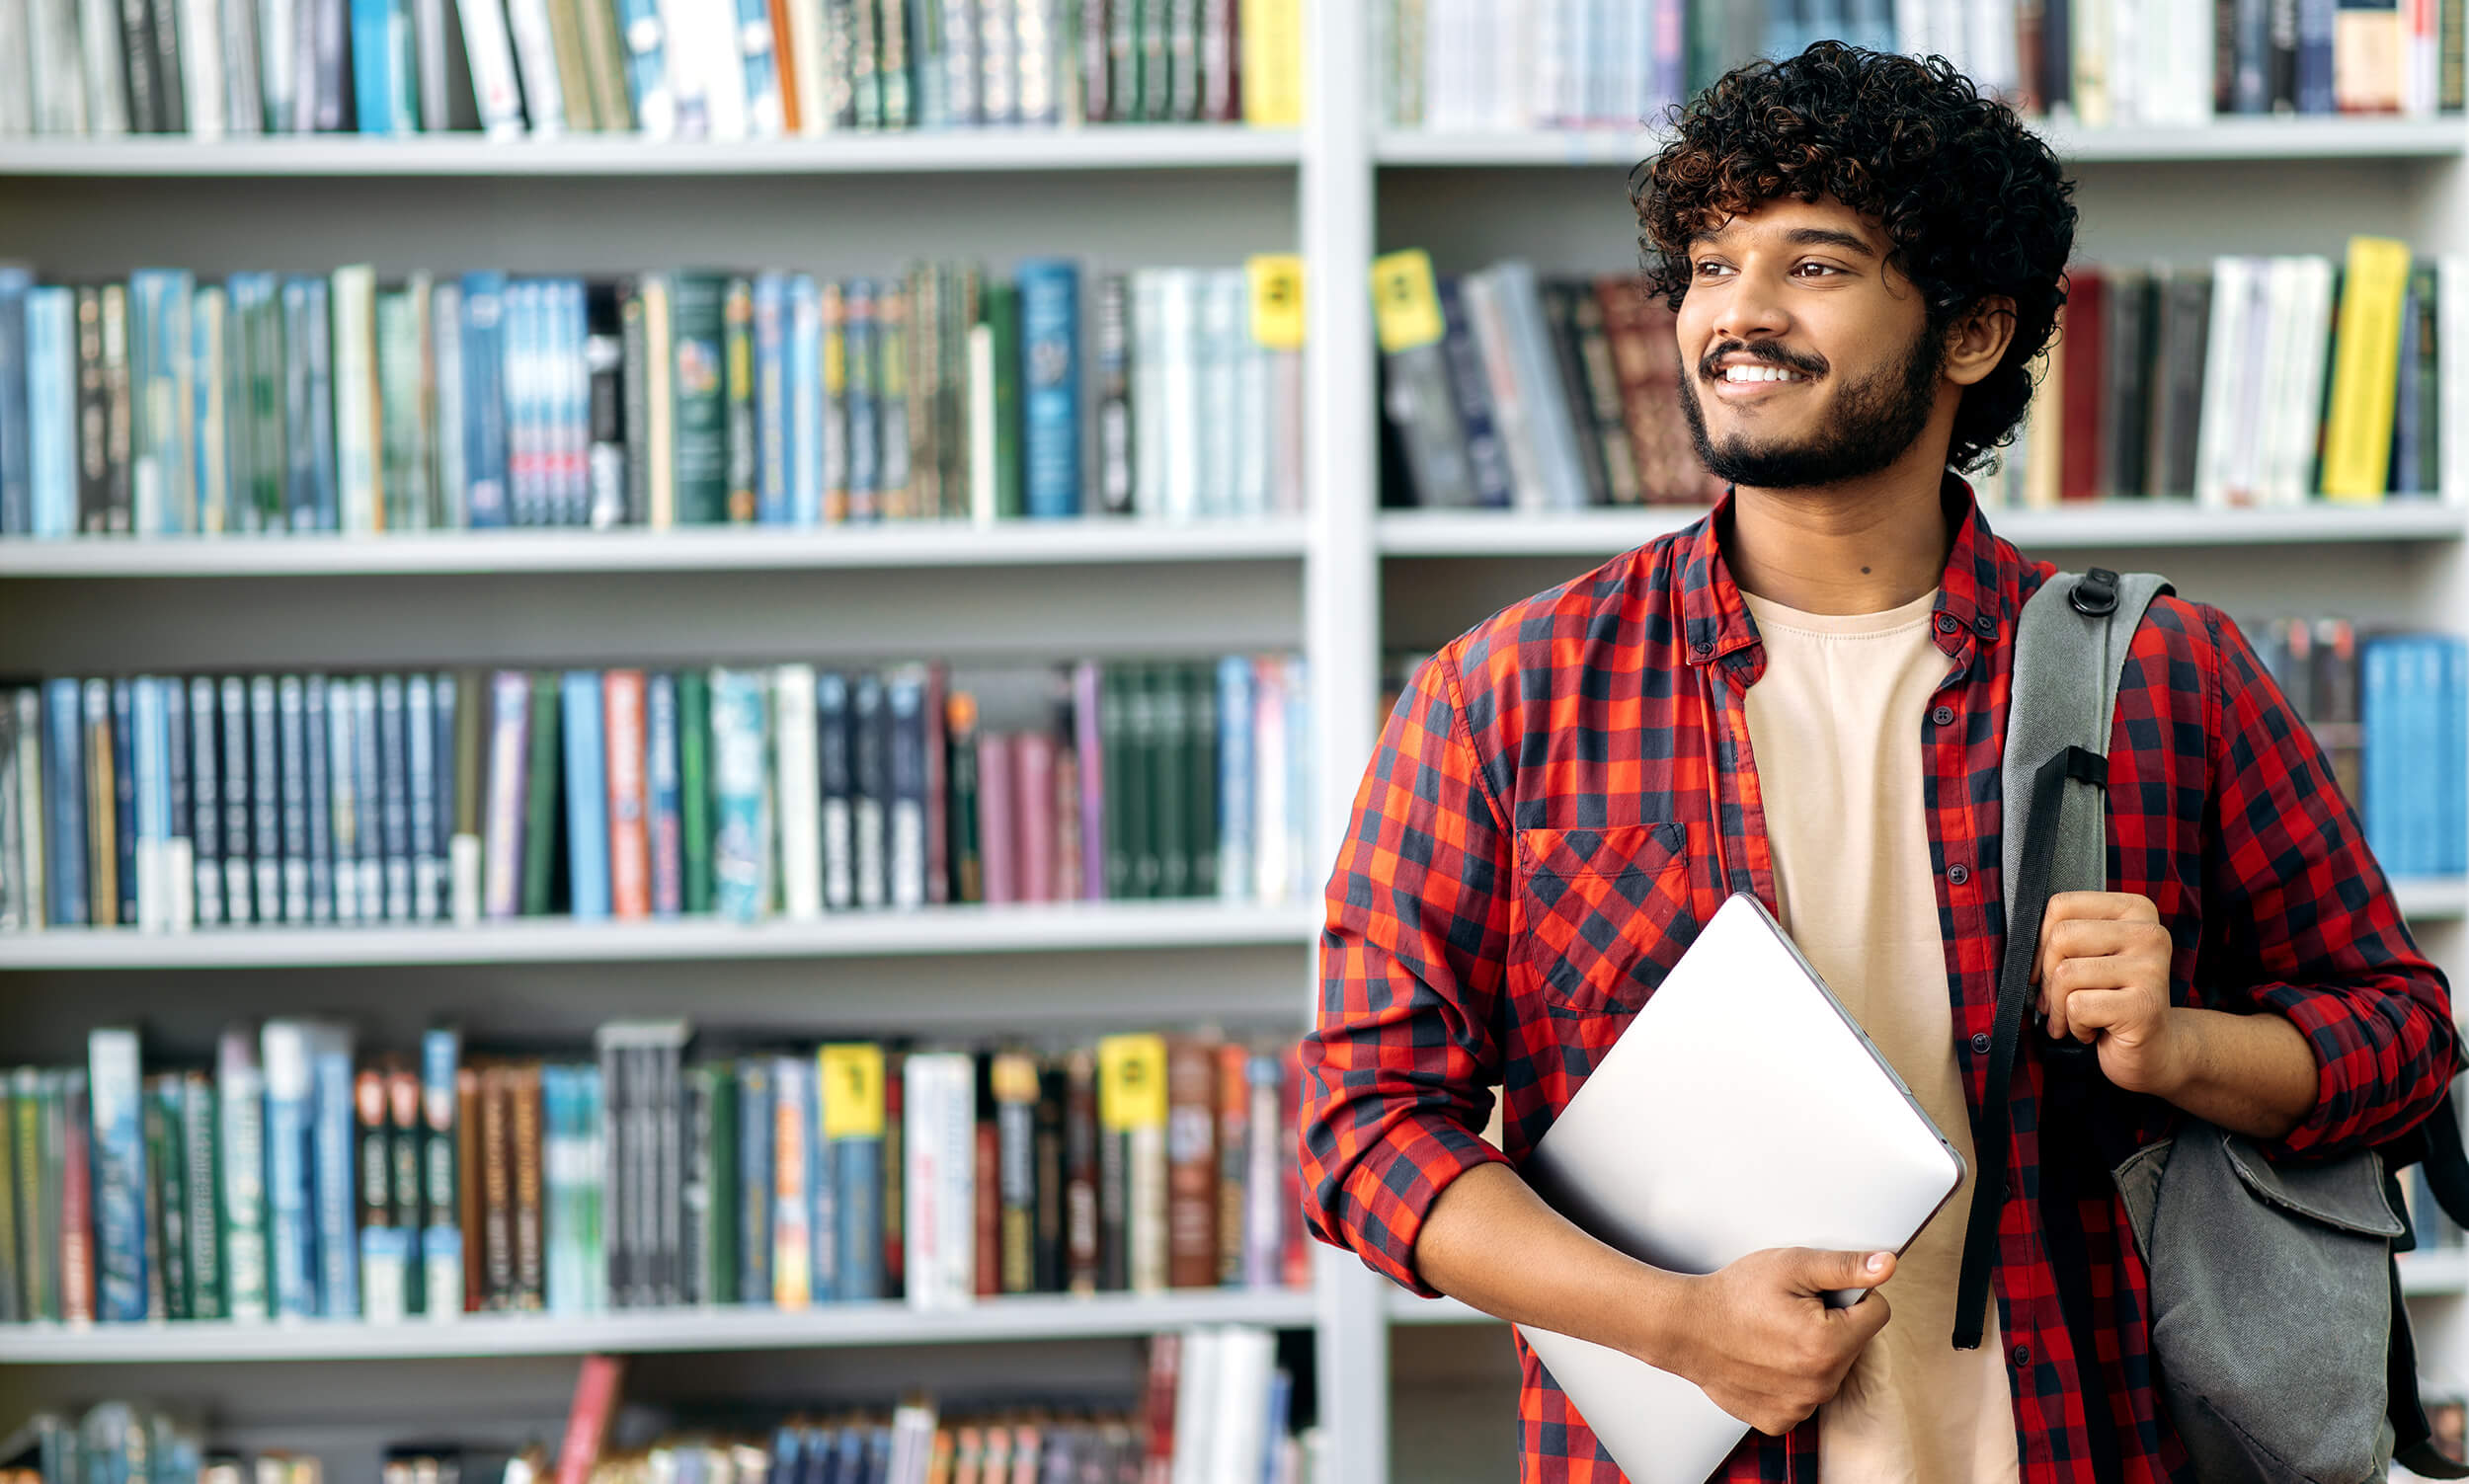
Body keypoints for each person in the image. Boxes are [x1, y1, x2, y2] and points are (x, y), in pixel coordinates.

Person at [1300, 40, 2458, 1484]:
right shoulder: (1507, 696)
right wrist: (1673, 1324)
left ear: (1972, 332)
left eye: (1816, 266)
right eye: (1709, 266)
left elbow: (2405, 1043)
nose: (1739, 314)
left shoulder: (2164, 674)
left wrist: (2188, 1052)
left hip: (2087, 1448)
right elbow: (1361, 1132)